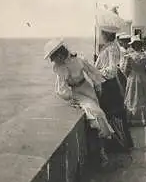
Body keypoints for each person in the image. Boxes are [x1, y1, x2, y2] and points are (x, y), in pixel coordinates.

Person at [44, 39, 114, 167]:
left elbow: (91, 71)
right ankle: (101, 153)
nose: (53, 61)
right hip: (76, 93)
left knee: (98, 112)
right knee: (96, 114)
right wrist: (71, 98)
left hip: (87, 89)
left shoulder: (78, 59)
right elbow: (61, 88)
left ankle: (102, 151)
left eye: (54, 57)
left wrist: (98, 84)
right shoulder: (60, 68)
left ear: (60, 54)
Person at [95, 27, 134, 153]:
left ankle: (121, 143)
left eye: (101, 33)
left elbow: (112, 70)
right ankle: (120, 142)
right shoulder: (109, 47)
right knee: (112, 113)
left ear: (106, 34)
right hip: (107, 83)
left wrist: (96, 72)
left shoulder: (111, 48)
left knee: (114, 113)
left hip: (109, 84)